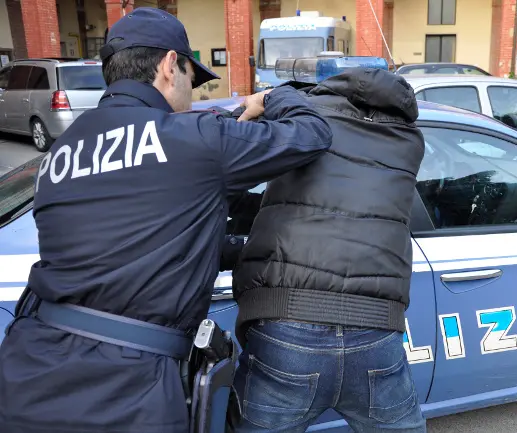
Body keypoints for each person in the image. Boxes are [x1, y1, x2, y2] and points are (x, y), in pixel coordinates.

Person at [0, 7, 332, 433]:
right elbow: (312, 133)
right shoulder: (195, 138)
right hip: (126, 391)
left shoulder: (60, 153)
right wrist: (270, 98)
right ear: (170, 65)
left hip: (26, 372)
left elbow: (145, 237)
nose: (192, 96)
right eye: (193, 81)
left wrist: (242, 248)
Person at [228, 67, 427, 432]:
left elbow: (230, 152)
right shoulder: (410, 142)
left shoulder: (300, 122)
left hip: (285, 325)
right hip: (375, 329)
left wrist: (272, 99)